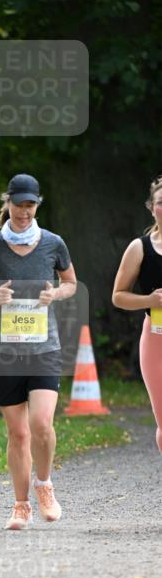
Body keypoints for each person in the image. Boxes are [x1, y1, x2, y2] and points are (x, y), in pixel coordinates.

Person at [0, 173, 77, 530]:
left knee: (41, 424)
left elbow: (71, 283)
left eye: (30, 205)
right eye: (18, 204)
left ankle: (44, 484)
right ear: (7, 203)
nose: (23, 211)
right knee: (18, 433)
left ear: (37, 205)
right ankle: (21, 505)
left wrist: (55, 294)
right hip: (5, 353)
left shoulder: (53, 243)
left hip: (44, 348)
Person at [112, 175, 162, 452]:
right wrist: (150, 300)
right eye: (161, 202)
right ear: (151, 207)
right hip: (156, 338)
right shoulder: (139, 247)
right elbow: (118, 296)